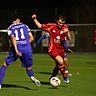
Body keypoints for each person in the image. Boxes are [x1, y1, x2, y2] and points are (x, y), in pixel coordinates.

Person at [0, 15, 41, 89]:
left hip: (17, 48)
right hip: (27, 48)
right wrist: (26, 44)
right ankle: (32, 76)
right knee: (29, 67)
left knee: (5, 64)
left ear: (16, 20)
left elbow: (13, 38)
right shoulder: (25, 26)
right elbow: (31, 38)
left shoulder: (10, 27)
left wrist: (16, 50)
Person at [32, 14, 71, 84]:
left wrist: (67, 33)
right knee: (61, 61)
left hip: (61, 50)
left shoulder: (65, 28)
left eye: (62, 23)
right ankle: (65, 78)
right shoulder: (51, 26)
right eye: (59, 22)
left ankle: (52, 77)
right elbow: (40, 26)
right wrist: (35, 19)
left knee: (58, 66)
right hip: (52, 50)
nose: (61, 24)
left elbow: (69, 38)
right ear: (57, 21)